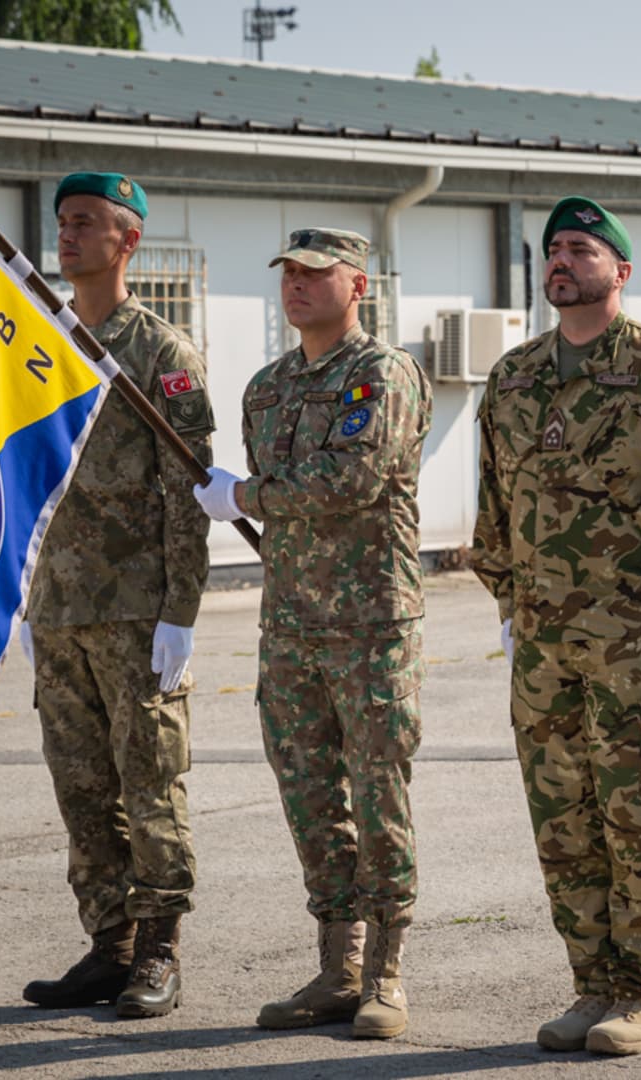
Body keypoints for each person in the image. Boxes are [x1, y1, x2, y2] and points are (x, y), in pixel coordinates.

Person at [471, 196, 641, 1057]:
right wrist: (508, 601)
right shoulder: (513, 377)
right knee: (564, 820)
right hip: (545, 647)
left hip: (637, 641)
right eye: (553, 249)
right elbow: (492, 501)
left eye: (582, 249)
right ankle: (591, 985)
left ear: (621, 271)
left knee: (640, 818)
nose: (562, 261)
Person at [193, 227, 432, 1040]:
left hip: (370, 625)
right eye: (289, 273)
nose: (297, 285)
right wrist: (252, 497)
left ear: (357, 286)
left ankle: (387, 973)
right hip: (291, 622)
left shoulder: (382, 373)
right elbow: (294, 499)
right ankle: (338, 966)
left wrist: (249, 495)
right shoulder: (265, 389)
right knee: (309, 795)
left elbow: (353, 479)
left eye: (316, 273)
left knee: (378, 794)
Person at [20, 172, 215, 1019]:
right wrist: (22, 597)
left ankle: (160, 951)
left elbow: (188, 489)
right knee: (81, 786)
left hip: (136, 609)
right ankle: (110, 944)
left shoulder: (158, 352)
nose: (67, 236)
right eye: (63, 222)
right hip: (57, 606)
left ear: (126, 241)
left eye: (87, 223)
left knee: (152, 781)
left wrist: (181, 610)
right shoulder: (38, 340)